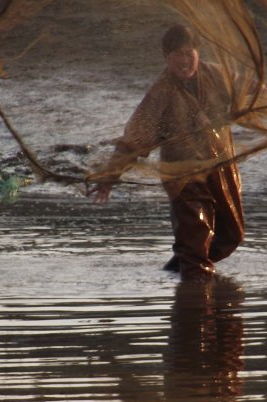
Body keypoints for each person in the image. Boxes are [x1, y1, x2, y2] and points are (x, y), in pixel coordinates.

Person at [90, 24, 244, 281]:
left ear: (198, 52)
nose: (184, 61)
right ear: (166, 56)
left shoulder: (217, 76)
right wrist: (108, 179)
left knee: (231, 235)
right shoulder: (161, 93)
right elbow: (133, 141)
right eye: (177, 55)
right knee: (195, 238)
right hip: (183, 176)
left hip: (221, 166)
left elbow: (251, 95)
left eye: (189, 53)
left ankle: (182, 265)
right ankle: (195, 297)